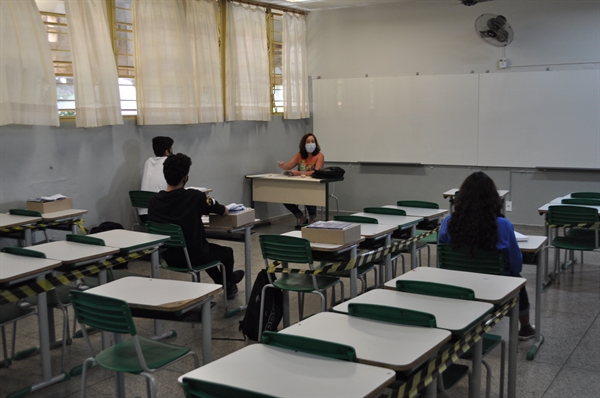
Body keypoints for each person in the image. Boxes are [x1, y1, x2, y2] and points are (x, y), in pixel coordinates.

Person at [438, 171, 536, 340]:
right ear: (493, 199)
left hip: (458, 283)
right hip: (495, 286)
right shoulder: (503, 225)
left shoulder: (448, 222)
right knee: (519, 282)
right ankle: (525, 328)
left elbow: (443, 254)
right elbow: (515, 265)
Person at [148, 153, 244, 299]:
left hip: (169, 257)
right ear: (185, 177)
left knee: (205, 251)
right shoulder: (194, 196)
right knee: (226, 252)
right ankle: (228, 281)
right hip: (194, 256)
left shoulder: (153, 201)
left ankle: (224, 281)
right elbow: (221, 210)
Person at [278, 133, 325, 227]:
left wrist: (299, 173)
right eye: (308, 142)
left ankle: (312, 219)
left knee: (309, 198)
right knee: (285, 198)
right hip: (298, 185)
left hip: (313, 186)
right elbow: (289, 166)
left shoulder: (320, 156)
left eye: (312, 141)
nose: (310, 143)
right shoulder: (299, 155)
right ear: (304, 144)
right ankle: (301, 217)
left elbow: (316, 172)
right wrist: (283, 166)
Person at [139, 136, 173, 223]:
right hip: (160, 214)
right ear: (167, 151)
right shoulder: (169, 162)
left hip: (143, 214)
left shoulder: (148, 161)